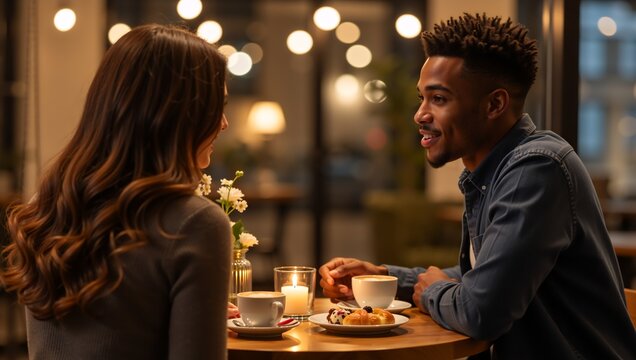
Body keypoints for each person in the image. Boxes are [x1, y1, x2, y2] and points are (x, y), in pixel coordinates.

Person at [320, 13, 636, 359]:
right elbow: (487, 276)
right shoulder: (494, 172)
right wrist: (384, 277)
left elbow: (482, 311)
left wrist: (432, 292)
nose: (420, 114)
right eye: (422, 98)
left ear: (494, 104)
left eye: (438, 99)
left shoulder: (536, 168)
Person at [0, 24, 232, 359]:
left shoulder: (50, 205)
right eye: (215, 106)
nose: (223, 122)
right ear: (175, 114)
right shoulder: (196, 223)